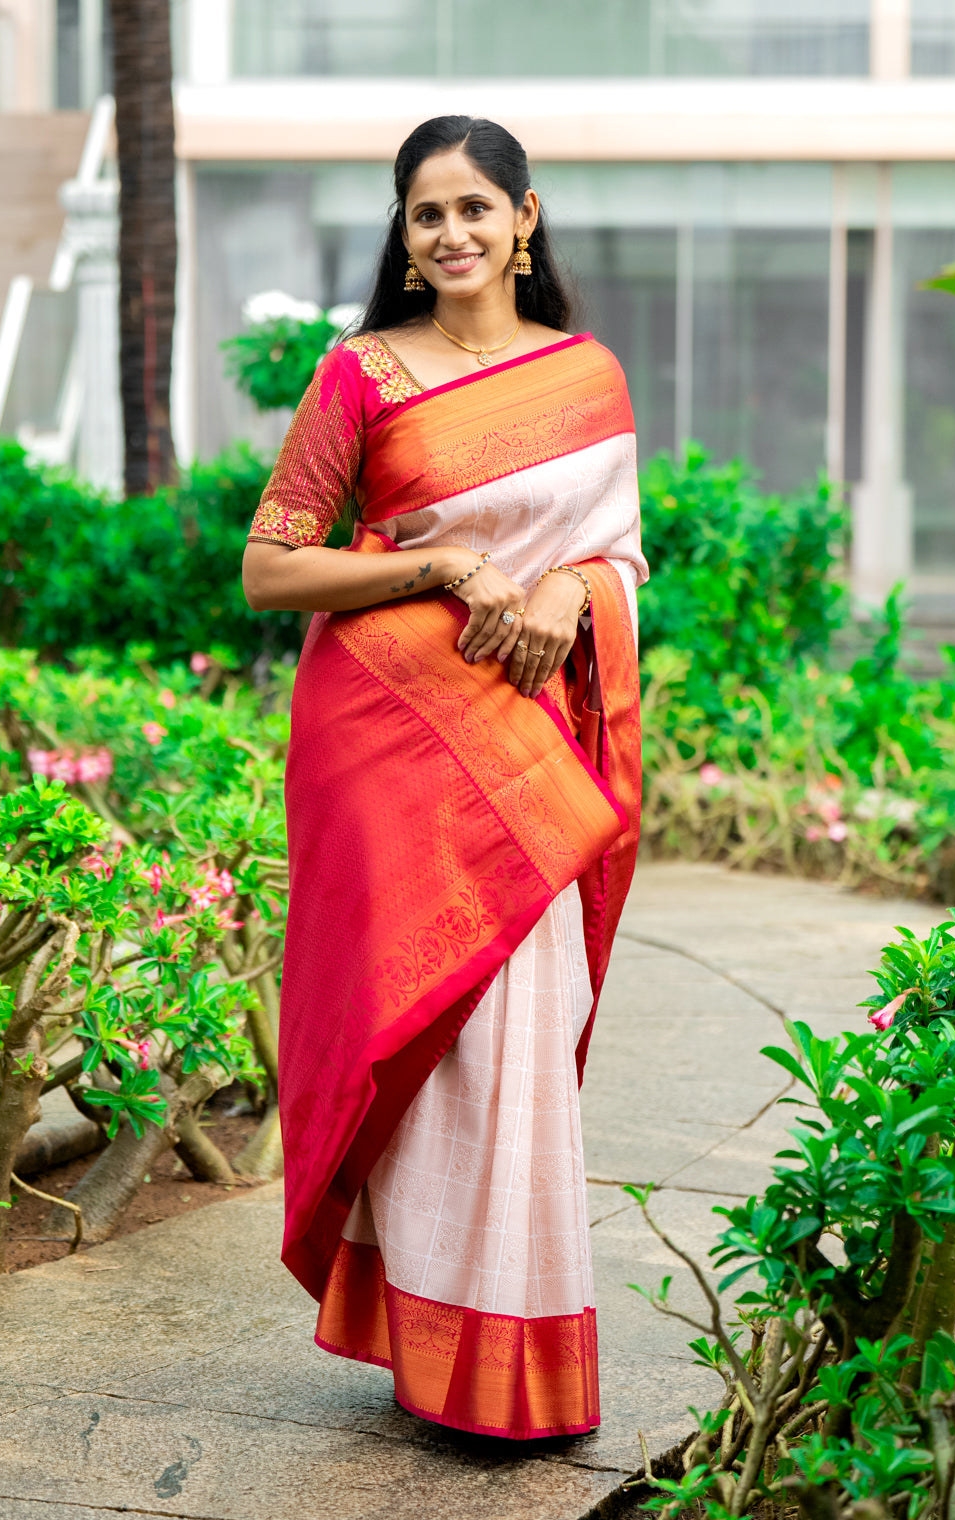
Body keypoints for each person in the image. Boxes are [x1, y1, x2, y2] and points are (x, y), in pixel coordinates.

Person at [242, 114, 647, 1441]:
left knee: (521, 1023)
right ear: (404, 236)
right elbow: (272, 568)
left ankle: (510, 1343)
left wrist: (570, 591)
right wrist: (442, 565)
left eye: (476, 207)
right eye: (428, 213)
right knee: (433, 1032)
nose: (453, 232)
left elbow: (621, 557)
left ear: (525, 217)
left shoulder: (587, 378)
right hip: (389, 742)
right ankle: (440, 1353)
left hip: (531, 735)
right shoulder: (362, 373)